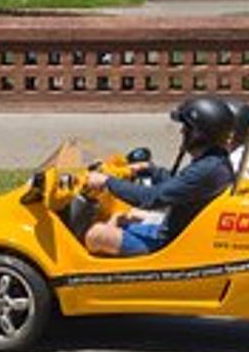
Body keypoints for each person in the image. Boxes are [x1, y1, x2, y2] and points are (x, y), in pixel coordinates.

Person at [83, 96, 238, 256]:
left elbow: (151, 198)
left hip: (168, 244)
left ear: (199, 134)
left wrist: (107, 181)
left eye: (187, 128)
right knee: (120, 218)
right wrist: (150, 169)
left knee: (95, 234)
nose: (182, 131)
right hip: (176, 233)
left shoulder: (206, 170)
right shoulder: (215, 163)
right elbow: (177, 187)